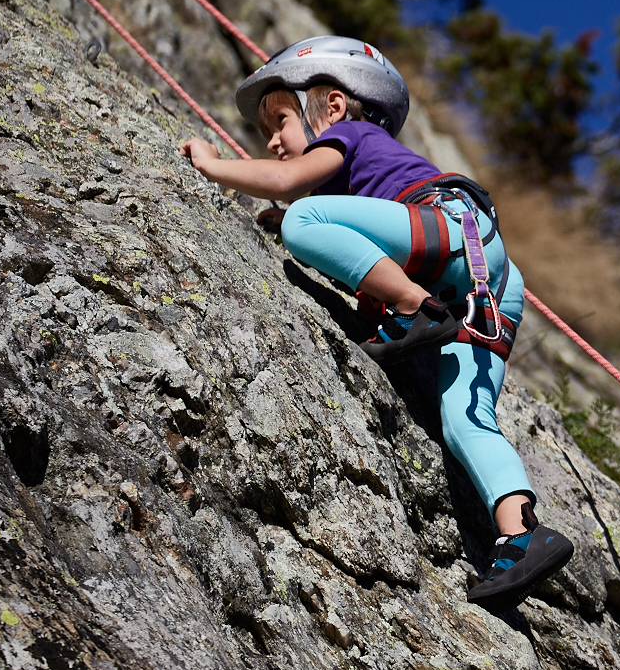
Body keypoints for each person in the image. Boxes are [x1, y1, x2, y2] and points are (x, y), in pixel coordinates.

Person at [176, 35, 573, 613]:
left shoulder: (351, 135)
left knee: (303, 218)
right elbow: (360, 253)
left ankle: (417, 307)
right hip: (491, 278)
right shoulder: (366, 191)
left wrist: (216, 167)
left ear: (332, 107)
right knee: (465, 418)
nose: (271, 140)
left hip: (445, 230)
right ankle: (522, 532)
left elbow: (294, 193)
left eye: (281, 119)